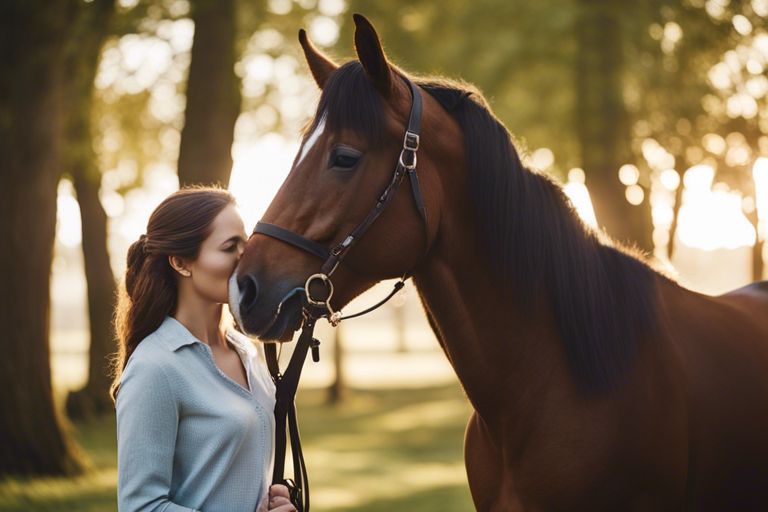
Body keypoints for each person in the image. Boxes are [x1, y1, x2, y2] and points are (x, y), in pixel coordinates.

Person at [111, 185, 295, 512]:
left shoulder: (248, 351)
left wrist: (271, 498)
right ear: (181, 263)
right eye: (229, 247)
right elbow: (141, 507)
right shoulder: (155, 367)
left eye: (246, 242)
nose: (246, 257)